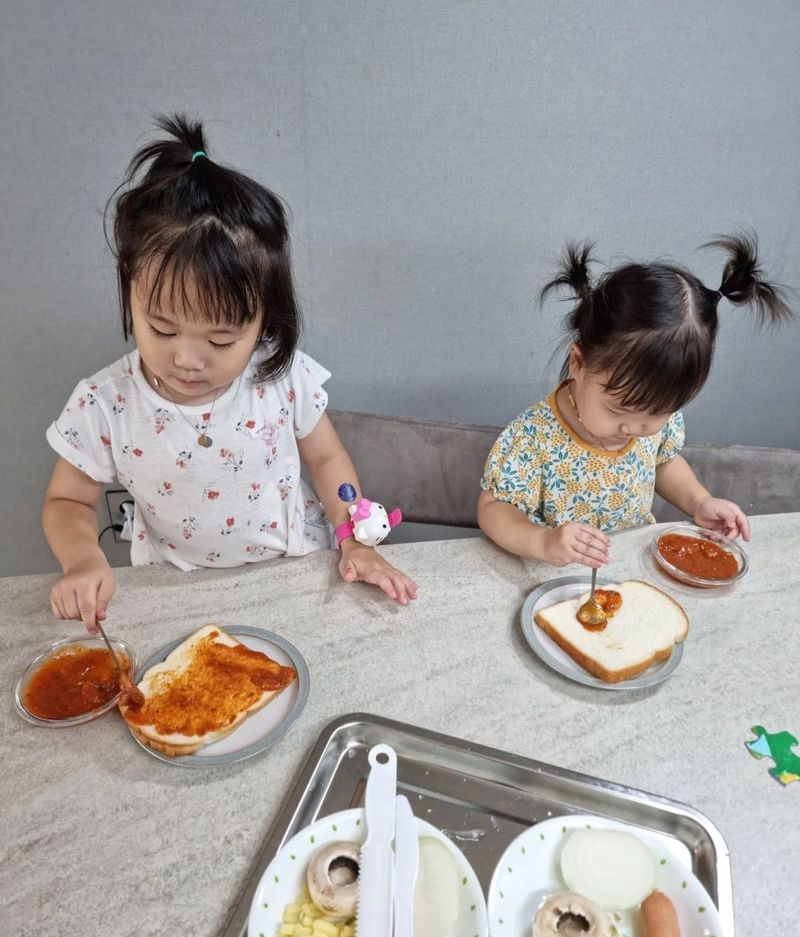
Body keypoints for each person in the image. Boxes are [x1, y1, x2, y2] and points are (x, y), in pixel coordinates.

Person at [43, 114, 417, 632]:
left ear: (265, 320)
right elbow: (67, 500)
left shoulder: (281, 378)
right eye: (162, 329)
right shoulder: (104, 404)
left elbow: (326, 457)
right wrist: (83, 559)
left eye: (221, 340)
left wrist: (354, 539)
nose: (188, 360)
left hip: (295, 568)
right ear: (129, 292)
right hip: (176, 590)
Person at [478, 235, 793, 568]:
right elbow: (494, 508)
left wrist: (699, 501)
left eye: (658, 412)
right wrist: (542, 541)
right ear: (579, 362)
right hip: (555, 575)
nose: (634, 428)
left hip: (631, 569)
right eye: (617, 410)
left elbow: (663, 462)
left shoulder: (652, 421)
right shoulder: (533, 437)